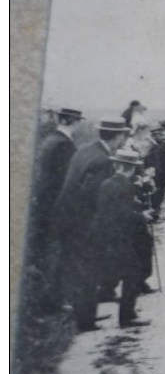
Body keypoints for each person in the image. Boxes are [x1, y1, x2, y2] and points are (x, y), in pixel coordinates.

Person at [54, 117, 131, 332]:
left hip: (67, 219)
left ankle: (85, 314)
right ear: (116, 137)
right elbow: (93, 198)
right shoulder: (103, 161)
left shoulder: (86, 150)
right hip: (82, 223)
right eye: (123, 135)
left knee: (79, 270)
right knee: (88, 271)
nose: (124, 140)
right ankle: (86, 321)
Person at [87, 148, 156, 329]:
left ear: (116, 165)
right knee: (133, 272)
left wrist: (136, 206)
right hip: (118, 238)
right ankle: (127, 317)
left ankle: (97, 313)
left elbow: (114, 208)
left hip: (103, 237)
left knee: (109, 273)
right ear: (131, 168)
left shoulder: (108, 183)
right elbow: (124, 215)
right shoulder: (125, 186)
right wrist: (143, 216)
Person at [26, 107, 83, 311]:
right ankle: (54, 300)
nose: (78, 125)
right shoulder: (64, 145)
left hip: (44, 205)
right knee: (59, 253)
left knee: (48, 253)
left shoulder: (50, 140)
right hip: (58, 207)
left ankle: (49, 299)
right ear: (72, 121)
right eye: (77, 121)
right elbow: (65, 181)